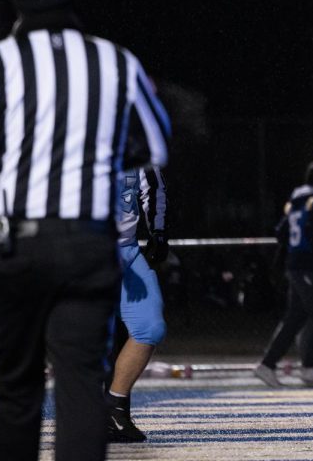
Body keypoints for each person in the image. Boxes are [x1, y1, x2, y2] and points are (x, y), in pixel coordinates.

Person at [0, 0, 171, 461]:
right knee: (80, 385)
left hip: (16, 240)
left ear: (17, 6)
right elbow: (154, 142)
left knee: (17, 389)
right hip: (87, 241)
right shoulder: (112, 61)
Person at [254, 161, 313, 388]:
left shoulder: (295, 201)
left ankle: (267, 365)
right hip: (308, 265)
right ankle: (309, 366)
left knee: (295, 317)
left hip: (295, 264)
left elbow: (281, 232)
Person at [107, 166, 169, 442]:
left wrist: (158, 230)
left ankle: (114, 409)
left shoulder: (136, 142)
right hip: (83, 253)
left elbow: (152, 188)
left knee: (150, 326)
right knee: (92, 339)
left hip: (127, 252)